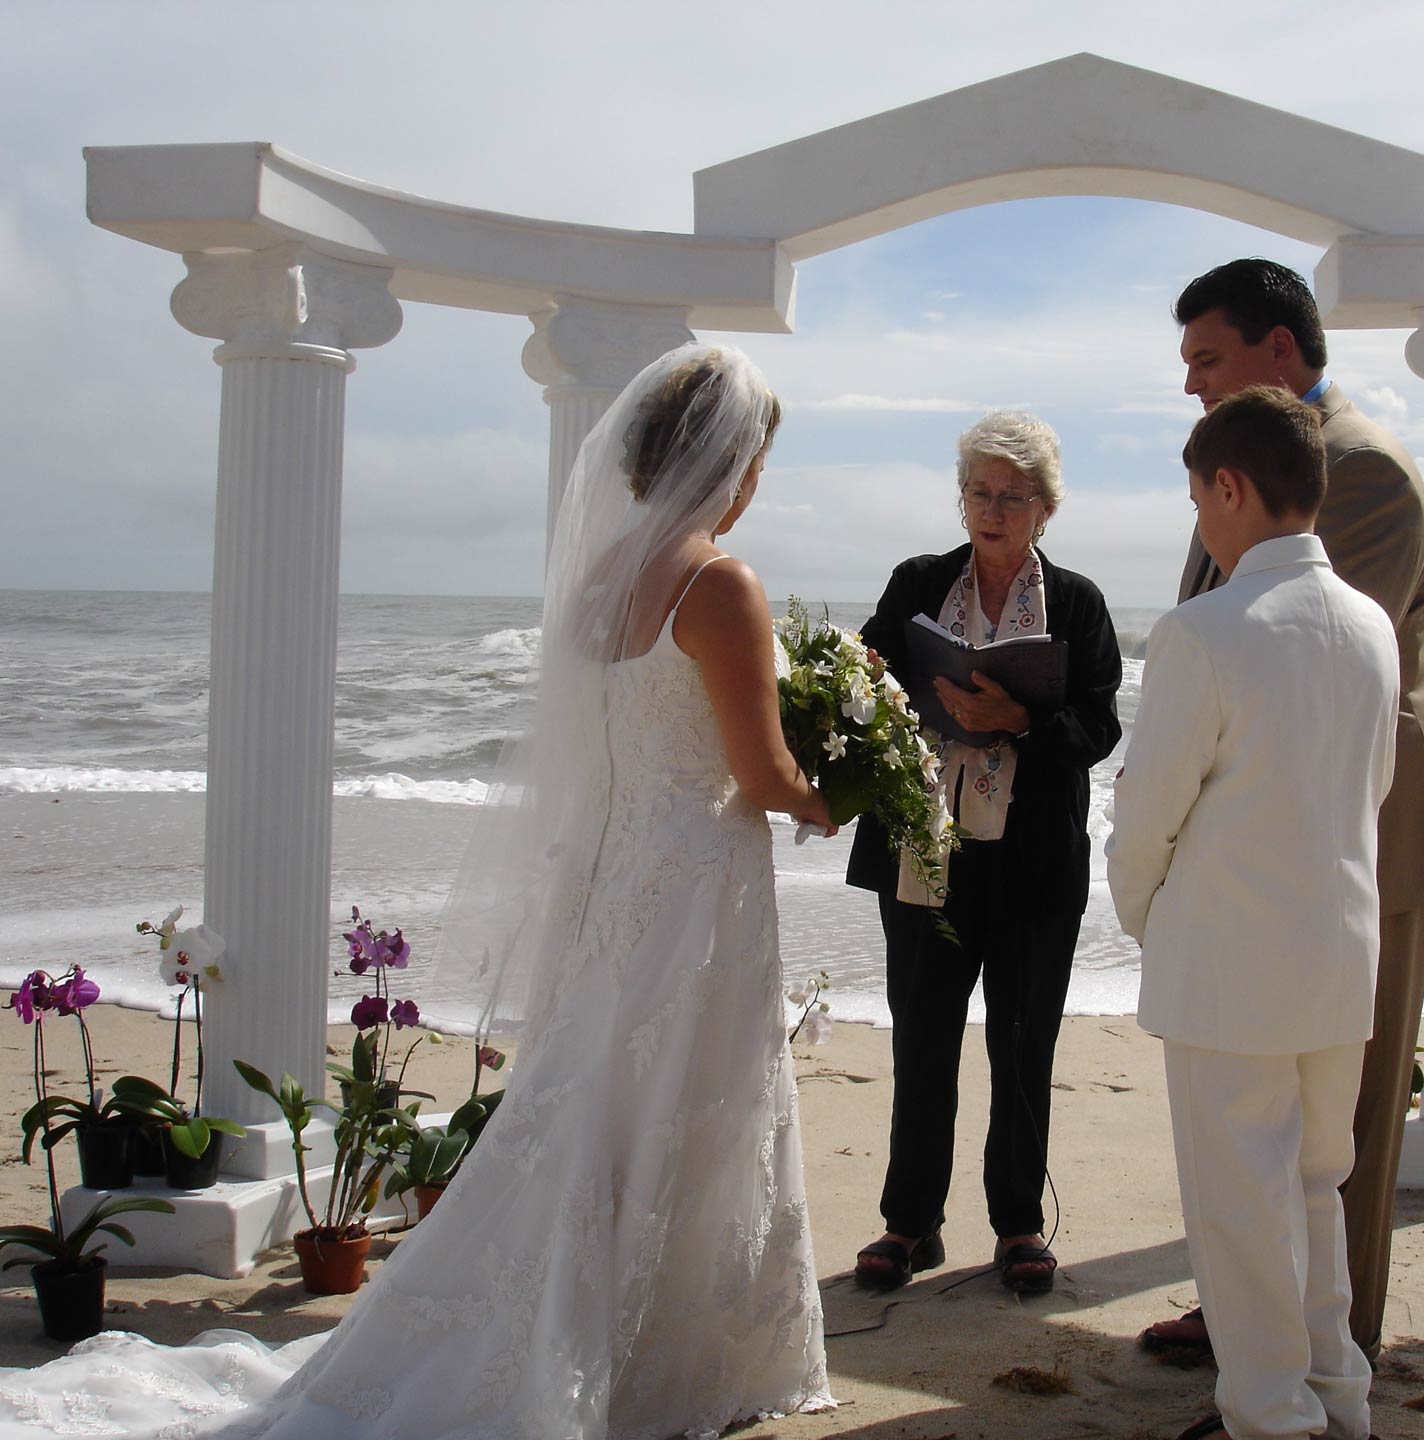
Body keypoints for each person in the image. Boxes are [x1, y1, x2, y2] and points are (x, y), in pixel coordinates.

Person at [0, 345, 838, 1438]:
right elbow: (762, 773)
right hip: (696, 882)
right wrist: (837, 796)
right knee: (694, 1103)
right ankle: (680, 1358)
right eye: (756, 459)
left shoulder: (598, 579)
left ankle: (610, 1336)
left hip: (614, 880)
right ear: (730, 459)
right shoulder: (720, 582)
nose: (756, 481)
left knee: (599, 1105)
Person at [1143, 258, 1424, 1365]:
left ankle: (1334, 1359)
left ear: (1281, 351)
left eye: (1207, 359)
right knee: (1262, 1113)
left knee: (1341, 1132)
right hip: (1283, 843)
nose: (1191, 385)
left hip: (1351, 843)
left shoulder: (1357, 471)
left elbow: (1310, 679)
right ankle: (1253, 1318)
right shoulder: (1254, 463)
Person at [1108, 385, 1399, 1440]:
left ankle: (1271, 1416)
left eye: (1199, 498)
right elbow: (1364, 791)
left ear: (1229, 486)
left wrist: (1147, 915)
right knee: (1316, 1188)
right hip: (1339, 956)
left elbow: (1149, 814)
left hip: (1230, 961)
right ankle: (1336, 1396)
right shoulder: (1370, 623)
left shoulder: (1203, 630)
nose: (1201, 521)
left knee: (1239, 1211)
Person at [846, 410, 1122, 1295]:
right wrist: (895, 692)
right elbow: (864, 682)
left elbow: (1100, 724)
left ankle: (1017, 1227)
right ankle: (910, 1223)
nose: (990, 509)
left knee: (1022, 1043)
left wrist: (1020, 720)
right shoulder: (919, 581)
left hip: (1033, 865)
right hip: (926, 851)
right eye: (978, 492)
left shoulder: (1077, 601)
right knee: (923, 1039)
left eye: (1010, 496)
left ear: (1045, 507)